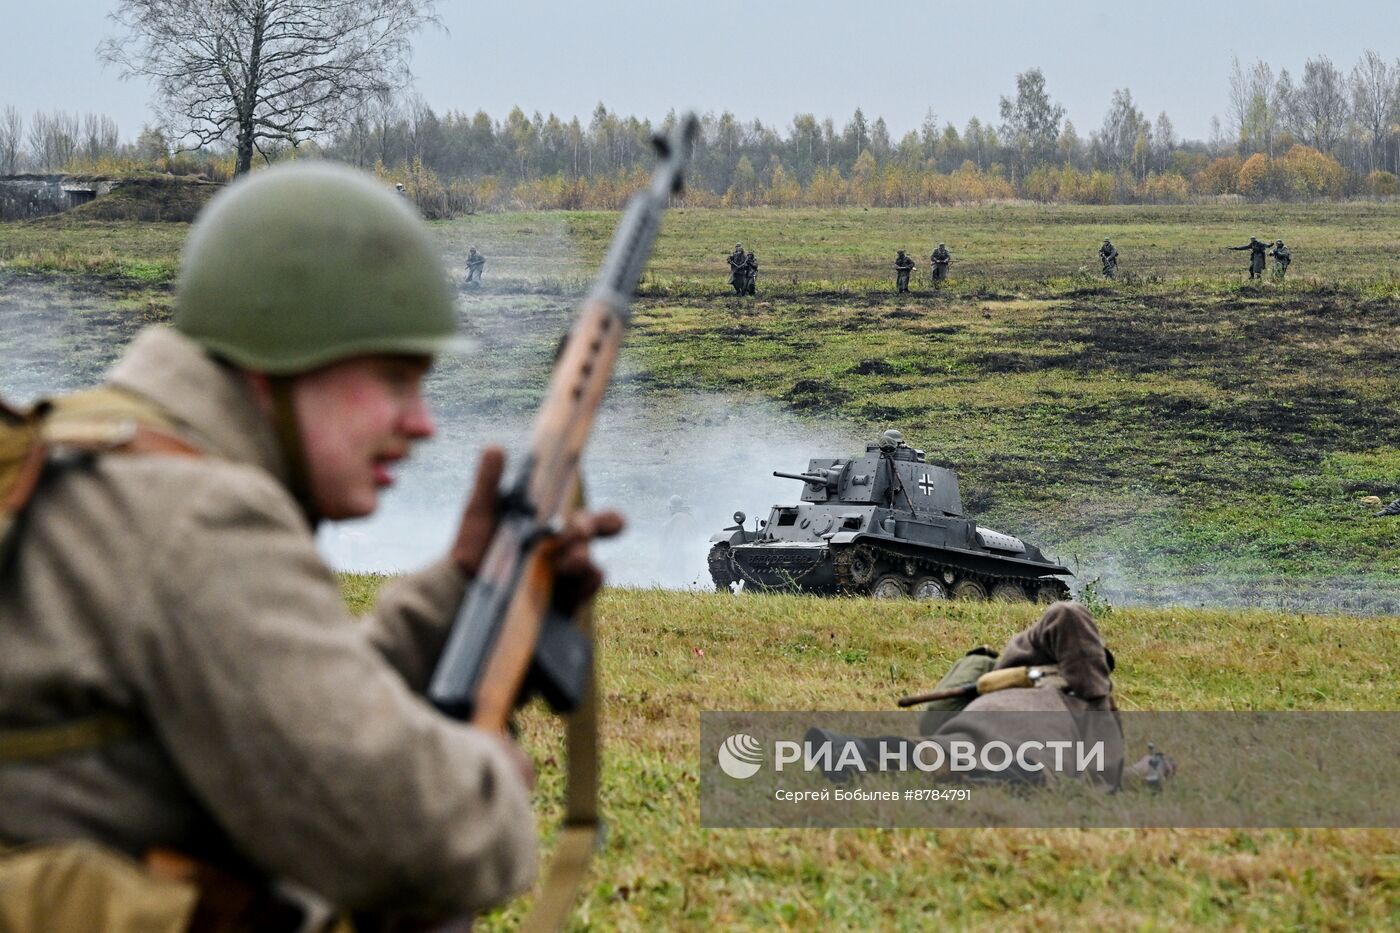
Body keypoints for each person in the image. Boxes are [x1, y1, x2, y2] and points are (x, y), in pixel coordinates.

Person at [0, 163, 622, 926]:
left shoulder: (87, 451)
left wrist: (456, 593)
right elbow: (411, 840)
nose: (422, 422)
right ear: (278, 364)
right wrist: (486, 779)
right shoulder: (202, 519)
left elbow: (266, 703)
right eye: (394, 379)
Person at [809, 602, 1125, 789]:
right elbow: (1109, 770)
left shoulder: (1014, 665)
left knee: (935, 753)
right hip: (1033, 734)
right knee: (1014, 766)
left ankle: (856, 751)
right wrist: (1099, 697)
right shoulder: (1090, 701)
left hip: (986, 722)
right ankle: (857, 753)